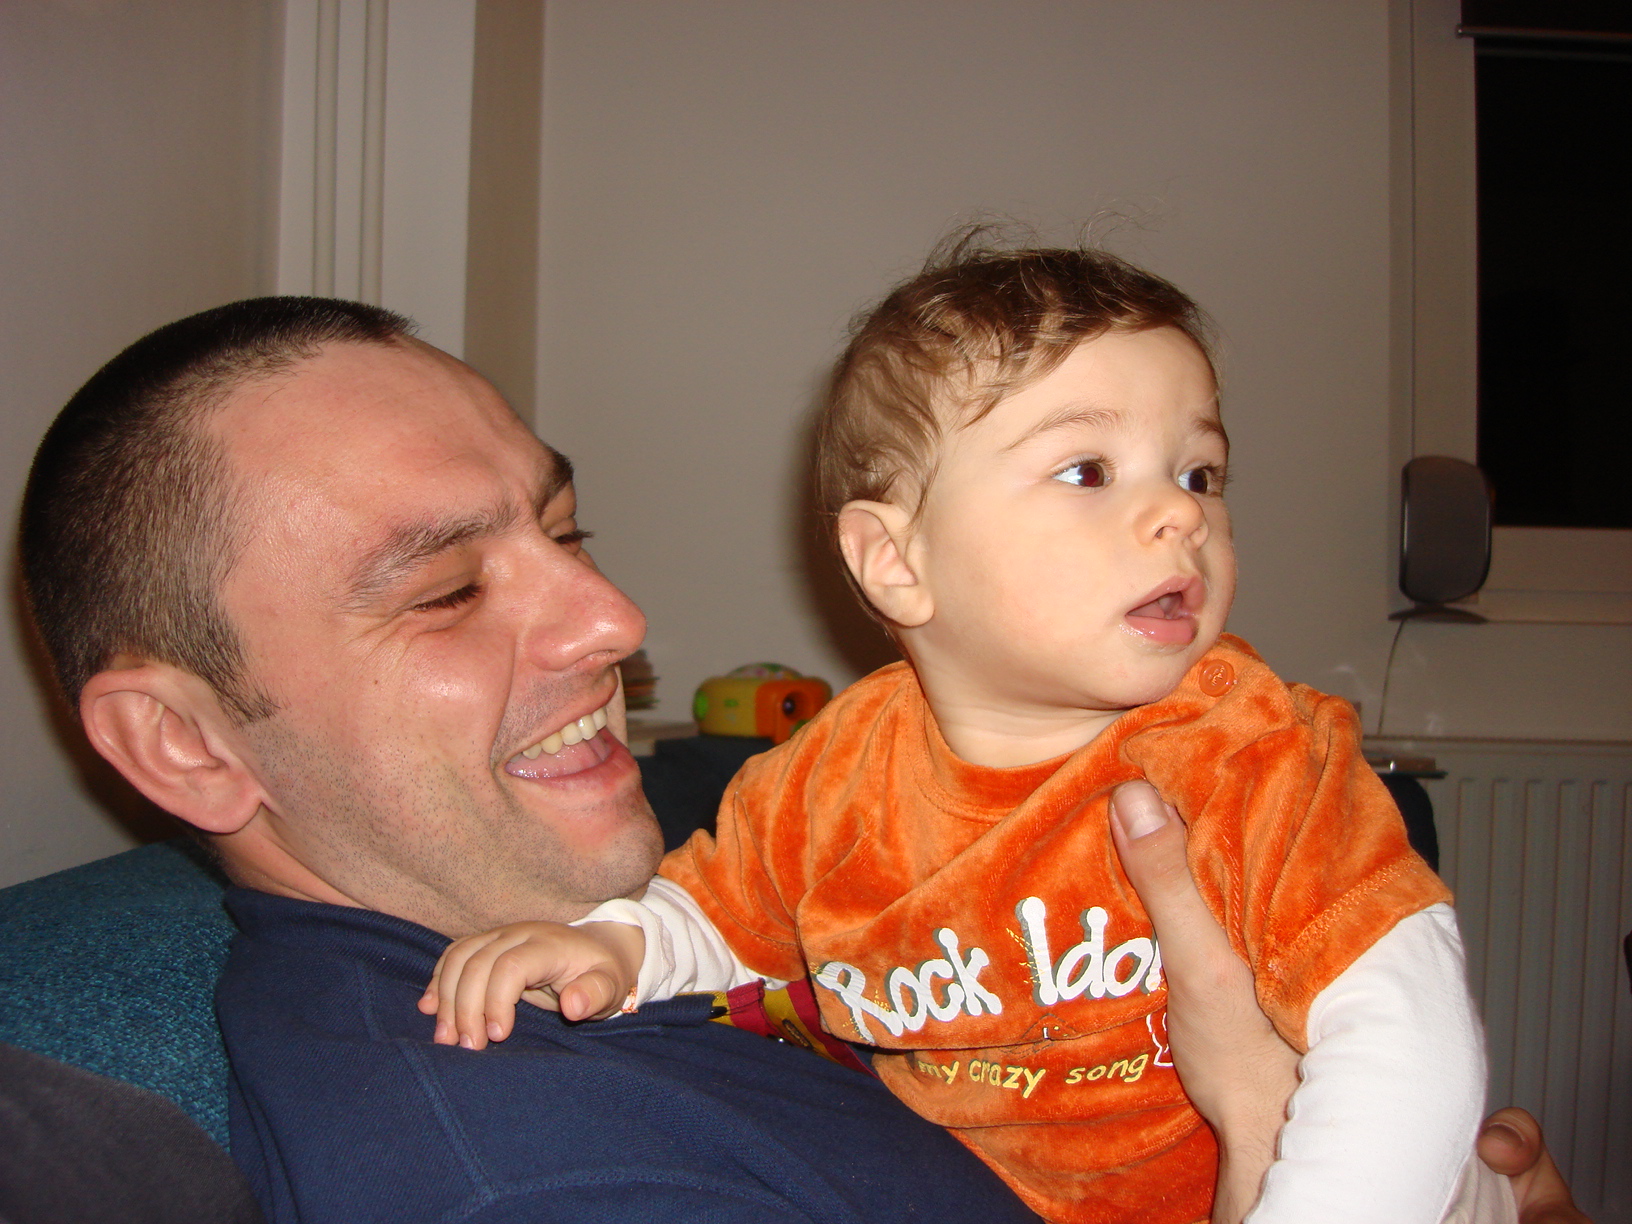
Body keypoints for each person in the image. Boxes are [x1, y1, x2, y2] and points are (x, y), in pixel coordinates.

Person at [16, 296, 1583, 1224]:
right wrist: (1264, 1156)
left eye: (568, 531)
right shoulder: (518, 1176)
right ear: (184, 742)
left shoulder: (634, 889)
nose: (616, 620)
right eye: (443, 591)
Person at [421, 244, 1508, 1224]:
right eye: (1087, 471)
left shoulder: (1248, 744)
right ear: (897, 561)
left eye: (1200, 474)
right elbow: (719, 911)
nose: (1184, 515)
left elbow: (1403, 1029)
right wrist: (618, 945)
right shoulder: (834, 777)